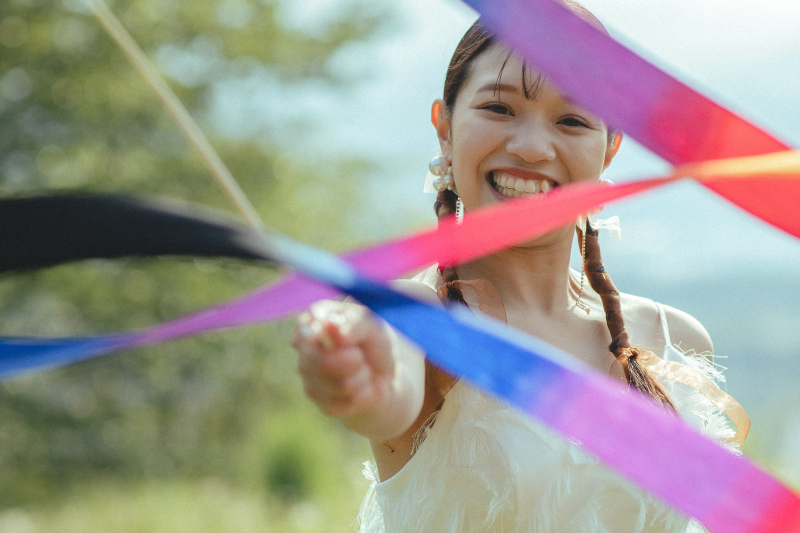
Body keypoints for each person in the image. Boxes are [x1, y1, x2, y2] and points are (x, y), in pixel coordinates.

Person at [292, 4, 746, 531]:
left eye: (572, 120)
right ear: (444, 128)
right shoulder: (416, 319)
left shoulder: (674, 341)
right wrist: (354, 374)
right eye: (499, 109)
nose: (532, 148)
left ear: (610, 150)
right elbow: (386, 392)